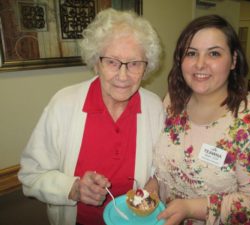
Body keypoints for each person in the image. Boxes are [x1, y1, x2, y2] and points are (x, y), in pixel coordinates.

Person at [18, 8, 164, 225]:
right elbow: (30, 176)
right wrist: (73, 188)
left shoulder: (153, 106)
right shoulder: (64, 104)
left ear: (146, 67)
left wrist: (155, 182)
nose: (123, 76)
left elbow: (159, 166)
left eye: (134, 64)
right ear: (96, 63)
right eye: (112, 62)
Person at [146, 15, 250, 225]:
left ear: (233, 60)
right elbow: (169, 159)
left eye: (214, 53)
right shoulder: (172, 102)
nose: (200, 64)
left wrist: (190, 208)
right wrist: (155, 183)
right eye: (191, 53)